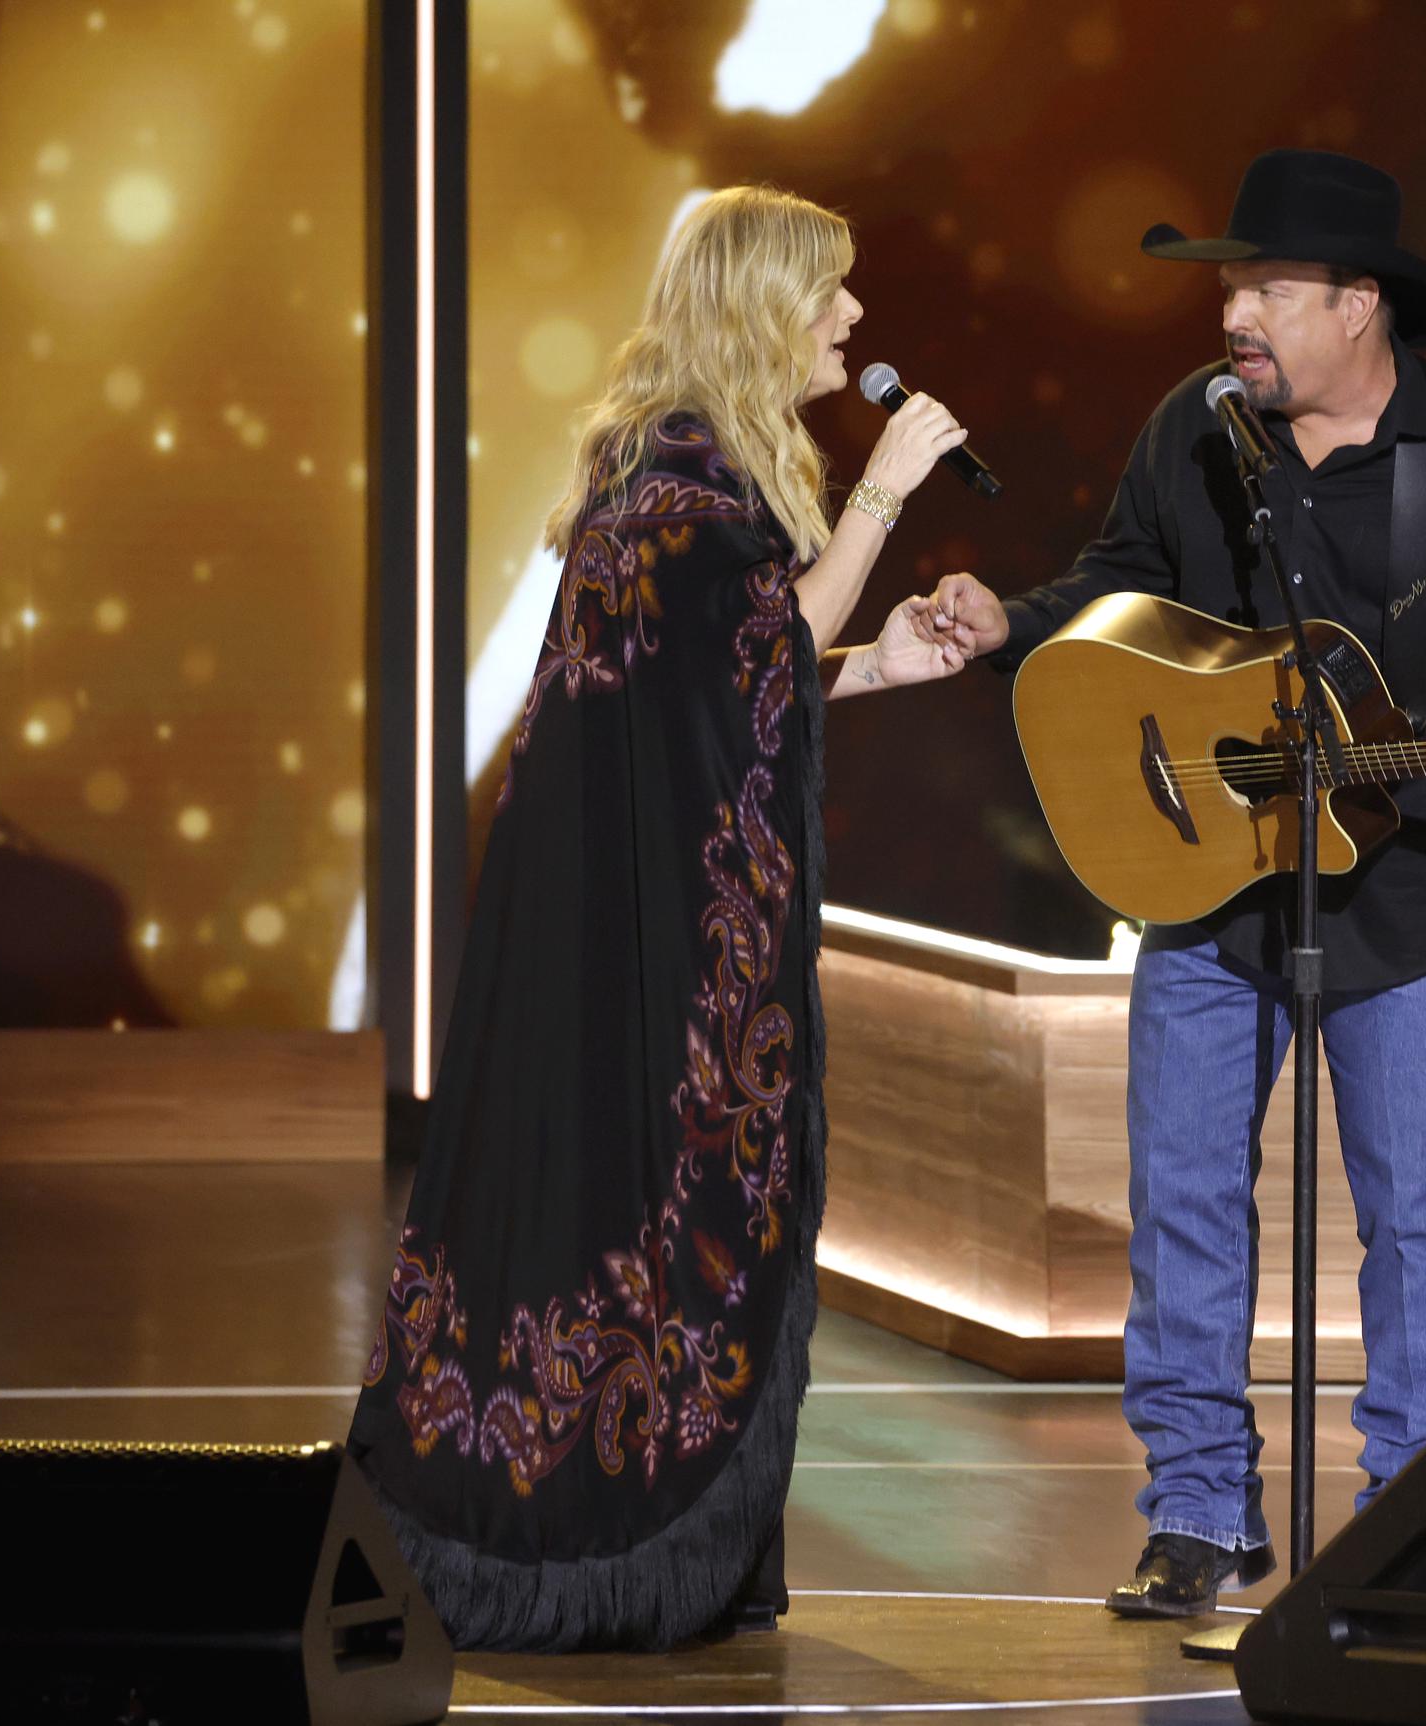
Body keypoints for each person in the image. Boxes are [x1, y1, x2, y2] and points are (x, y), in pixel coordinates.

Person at [920, 149, 1426, 1616]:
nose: (1235, 313)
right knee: (1182, 1198)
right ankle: (1198, 1509)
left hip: (1414, 893)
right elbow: (1119, 591)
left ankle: (1419, 1522)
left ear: (1361, 306)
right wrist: (1007, 625)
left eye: (1269, 290)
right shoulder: (1195, 425)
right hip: (1206, 886)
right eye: (1231, 288)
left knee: (1416, 1213)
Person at [348, 184, 973, 1653]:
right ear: (763, 303)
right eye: (832, 291)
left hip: (663, 943)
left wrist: (879, 665)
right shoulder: (678, 488)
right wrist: (884, 491)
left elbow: (732, 685)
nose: (855, 319)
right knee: (635, 1235)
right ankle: (588, 1545)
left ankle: (677, 1541)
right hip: (648, 966)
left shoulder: (686, 483)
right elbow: (749, 654)